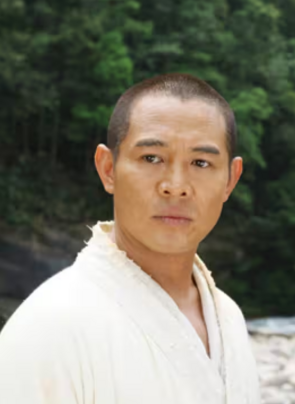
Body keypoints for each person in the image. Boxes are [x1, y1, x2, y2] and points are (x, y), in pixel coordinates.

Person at [0, 73, 260, 404]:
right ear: (108, 168)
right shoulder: (49, 326)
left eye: (200, 162)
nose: (176, 185)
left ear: (230, 180)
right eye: (152, 158)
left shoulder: (228, 318)